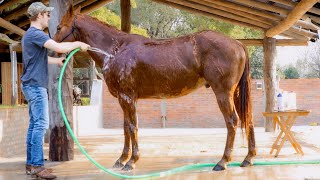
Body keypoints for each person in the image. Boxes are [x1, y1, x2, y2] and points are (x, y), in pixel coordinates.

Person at [21, 2, 90, 179]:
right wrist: (78, 43)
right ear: (39, 16)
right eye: (47, 14)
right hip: (35, 86)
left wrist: (56, 62)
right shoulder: (36, 34)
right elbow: (58, 48)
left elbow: (38, 61)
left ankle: (31, 164)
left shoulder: (30, 35)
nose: (49, 17)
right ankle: (37, 166)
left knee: (34, 124)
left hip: (31, 84)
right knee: (41, 125)